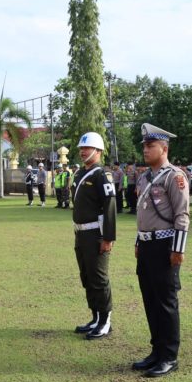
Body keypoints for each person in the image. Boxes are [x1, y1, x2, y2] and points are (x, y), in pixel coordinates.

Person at [132, 124, 189, 378]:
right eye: (144, 145)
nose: (145, 149)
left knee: (166, 302)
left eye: (150, 145)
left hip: (165, 246)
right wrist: (137, 241)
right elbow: (142, 215)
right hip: (146, 245)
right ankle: (156, 351)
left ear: (164, 148)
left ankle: (169, 356)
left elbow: (182, 215)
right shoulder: (144, 177)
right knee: (150, 299)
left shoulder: (174, 176)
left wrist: (177, 250)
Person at [71, 132, 117, 340]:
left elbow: (110, 206)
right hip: (81, 233)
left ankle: (105, 320)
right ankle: (95, 317)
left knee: (99, 278)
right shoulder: (81, 173)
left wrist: (108, 237)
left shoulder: (102, 175)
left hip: (96, 234)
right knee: (87, 277)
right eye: (81, 148)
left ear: (98, 151)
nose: (82, 151)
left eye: (87, 148)